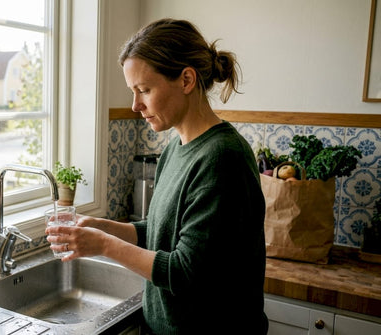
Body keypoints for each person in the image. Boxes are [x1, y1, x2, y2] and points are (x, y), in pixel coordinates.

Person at [45, 18, 268, 334]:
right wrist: (103, 227)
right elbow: (162, 229)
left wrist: (104, 245)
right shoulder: (176, 147)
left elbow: (185, 273)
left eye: (144, 90)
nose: (135, 105)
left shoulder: (223, 158)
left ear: (186, 79)